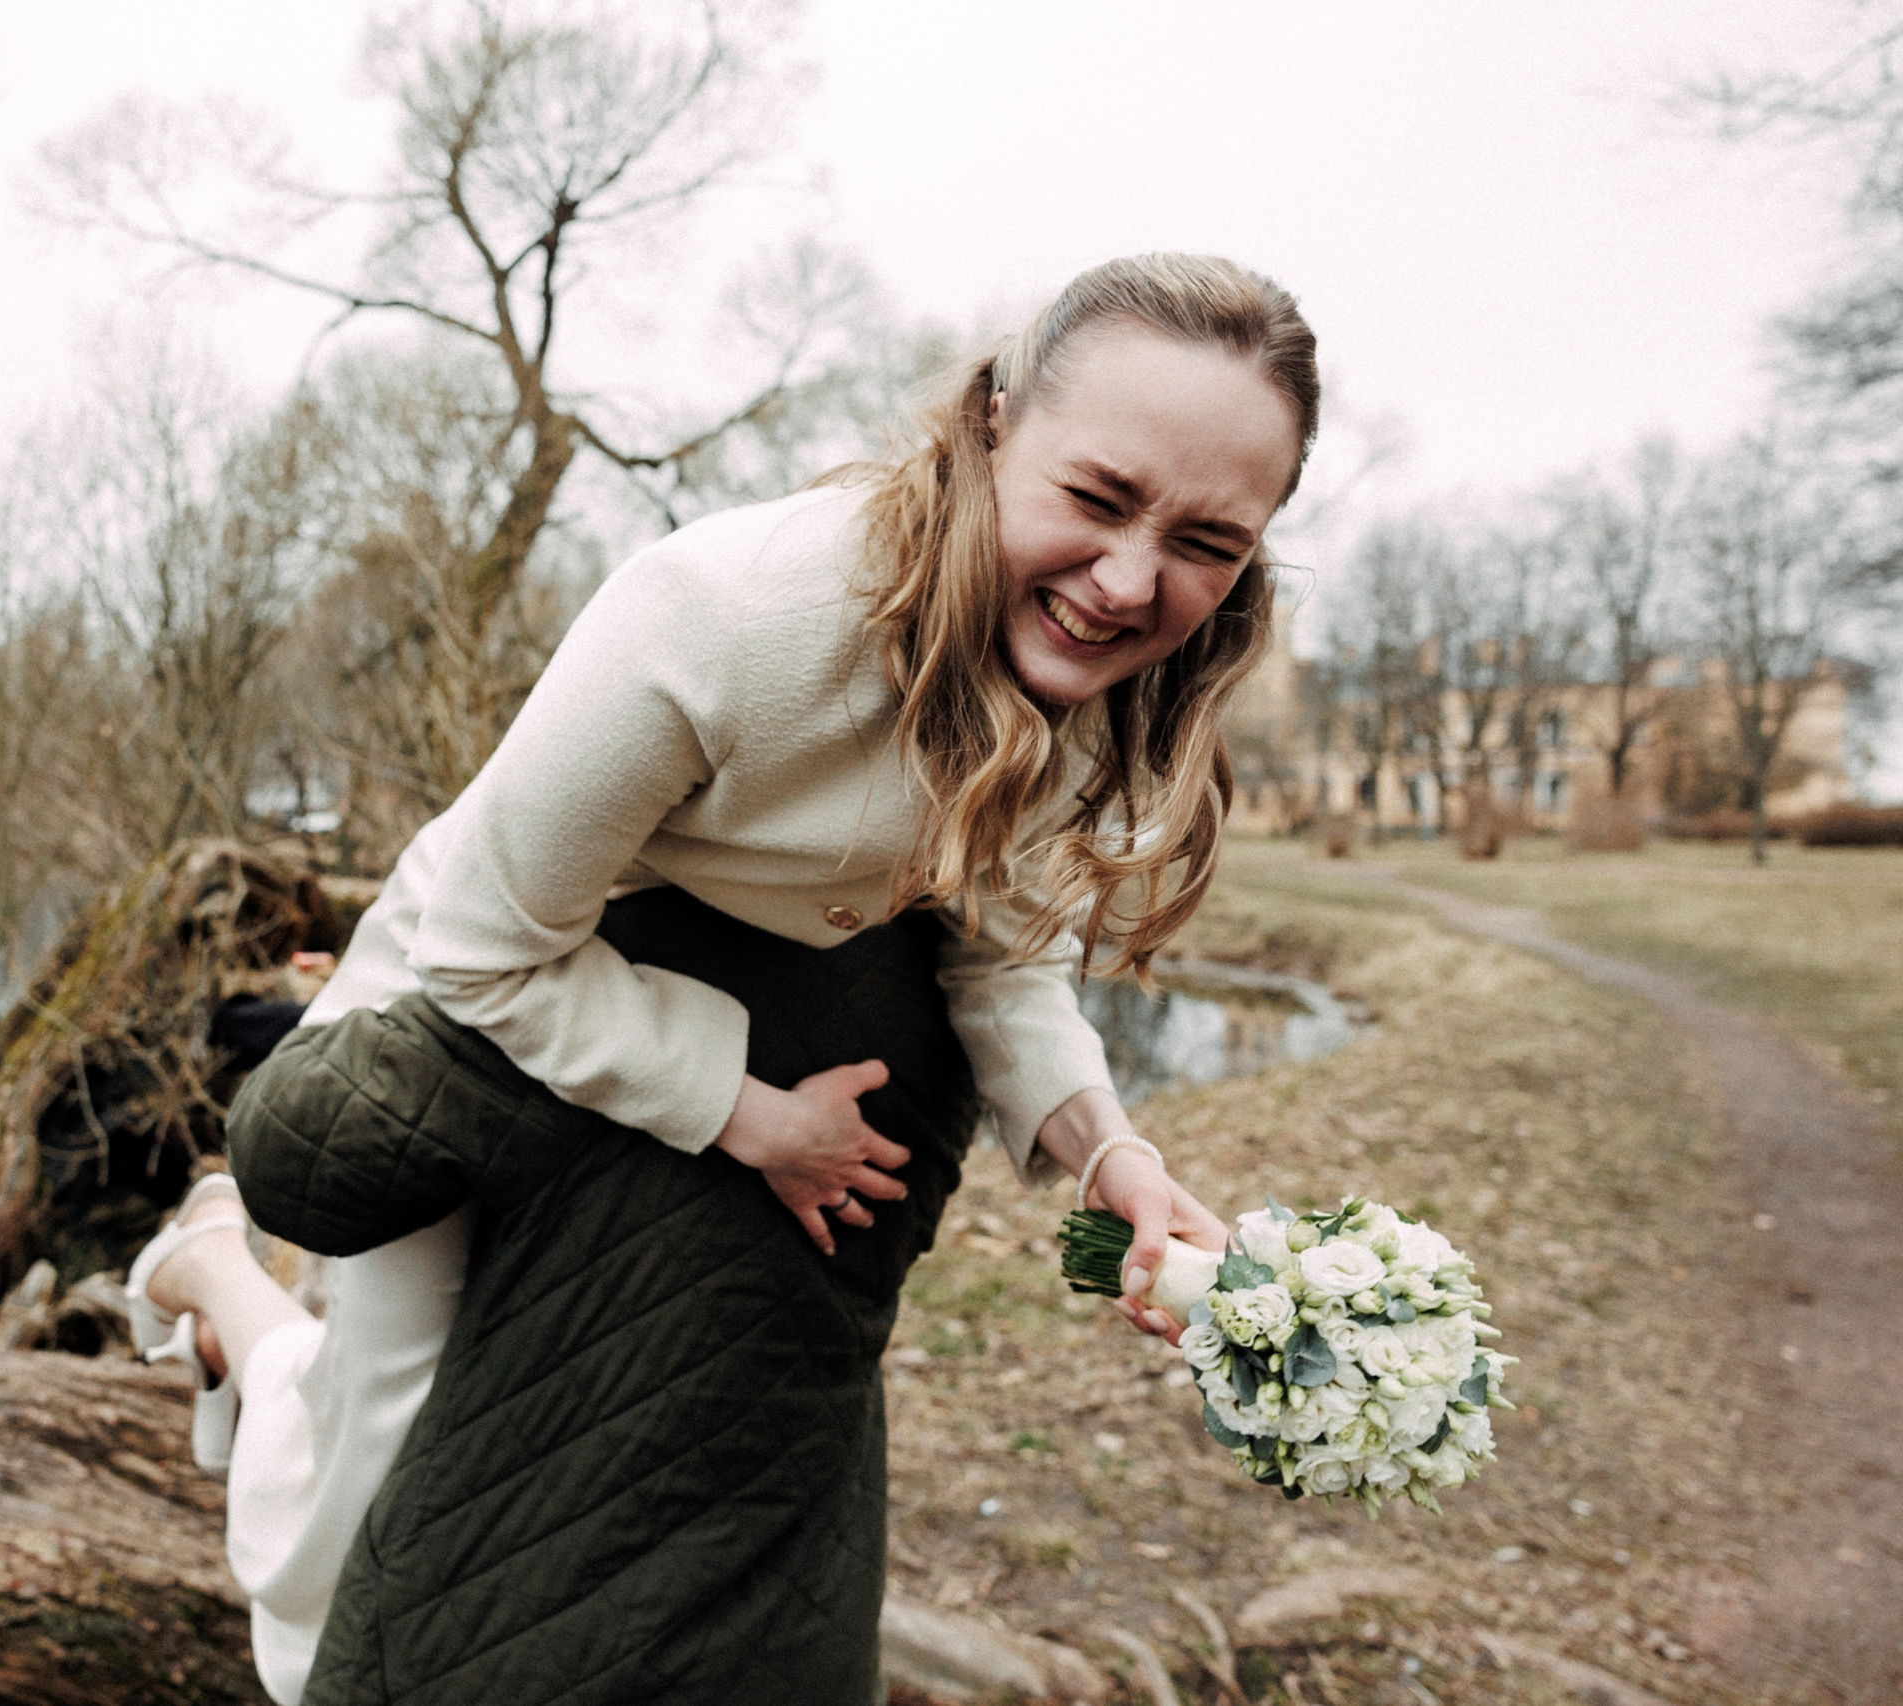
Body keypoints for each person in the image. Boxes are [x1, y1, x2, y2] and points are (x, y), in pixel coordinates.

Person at [132, 252, 1319, 1704]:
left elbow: (1005, 968)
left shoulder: (1092, 690)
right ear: (996, 420)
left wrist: (1106, 1151)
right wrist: (751, 1115)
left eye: (1206, 539)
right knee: (371, 1457)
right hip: (482, 1000)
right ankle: (216, 1271)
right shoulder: (731, 615)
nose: (1131, 580)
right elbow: (488, 946)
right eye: (1096, 497)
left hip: (682, 1027)